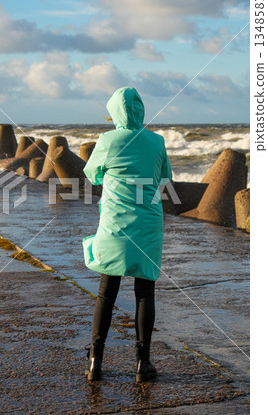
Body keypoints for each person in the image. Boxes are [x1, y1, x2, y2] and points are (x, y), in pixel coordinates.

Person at [83, 87, 172, 382]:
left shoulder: (108, 140)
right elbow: (164, 179)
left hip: (115, 225)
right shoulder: (157, 141)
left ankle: (95, 361)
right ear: (140, 111)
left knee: (106, 293)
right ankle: (142, 363)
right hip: (147, 224)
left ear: (115, 114)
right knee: (145, 293)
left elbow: (92, 173)